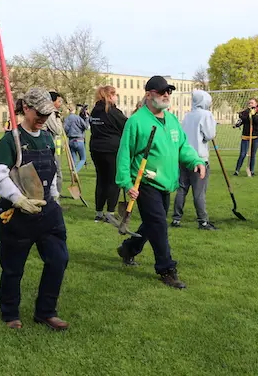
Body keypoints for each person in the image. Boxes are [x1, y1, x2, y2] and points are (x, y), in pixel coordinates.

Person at [116, 76, 206, 289]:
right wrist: (126, 183)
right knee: (158, 224)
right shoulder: (136, 121)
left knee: (151, 224)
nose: (166, 95)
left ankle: (129, 248)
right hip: (145, 183)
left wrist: (195, 160)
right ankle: (166, 269)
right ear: (149, 94)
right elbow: (124, 154)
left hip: (166, 182)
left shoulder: (172, 120)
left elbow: (182, 146)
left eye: (169, 91)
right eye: (161, 91)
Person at [0, 87, 69, 330]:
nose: (43, 119)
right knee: (13, 268)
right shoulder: (10, 140)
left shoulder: (47, 137)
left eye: (48, 114)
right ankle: (10, 313)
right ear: (26, 108)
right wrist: (18, 199)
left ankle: (46, 311)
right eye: (39, 114)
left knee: (59, 259)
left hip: (47, 212)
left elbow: (53, 171)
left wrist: (55, 197)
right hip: (16, 215)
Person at [171, 90, 217, 230]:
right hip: (199, 158)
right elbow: (210, 135)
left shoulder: (188, 115)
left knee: (182, 189)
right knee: (199, 191)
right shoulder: (206, 115)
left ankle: (176, 219)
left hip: (184, 157)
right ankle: (203, 221)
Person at [89, 85, 127, 225]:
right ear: (110, 96)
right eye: (115, 94)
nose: (116, 97)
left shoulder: (94, 111)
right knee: (113, 180)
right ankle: (110, 211)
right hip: (111, 149)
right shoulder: (112, 111)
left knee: (101, 180)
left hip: (96, 148)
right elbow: (126, 125)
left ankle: (99, 212)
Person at [234, 98, 258, 176]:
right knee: (242, 154)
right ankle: (237, 170)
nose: (250, 104)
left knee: (252, 154)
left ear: (256, 104)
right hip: (246, 136)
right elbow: (242, 120)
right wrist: (238, 123)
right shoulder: (245, 112)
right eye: (249, 103)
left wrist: (253, 115)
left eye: (252, 103)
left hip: (256, 136)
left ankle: (251, 170)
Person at [42, 92, 64, 198]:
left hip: (53, 146)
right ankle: (55, 198)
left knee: (56, 172)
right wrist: (58, 118)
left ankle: (55, 196)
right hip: (48, 147)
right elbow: (58, 130)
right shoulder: (51, 113)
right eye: (59, 101)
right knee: (56, 173)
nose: (60, 104)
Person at [63, 105, 89, 173]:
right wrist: (86, 118)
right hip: (79, 140)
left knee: (74, 160)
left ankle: (73, 174)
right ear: (75, 110)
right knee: (83, 159)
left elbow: (65, 129)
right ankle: (75, 171)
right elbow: (86, 127)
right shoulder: (78, 118)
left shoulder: (66, 119)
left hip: (71, 140)